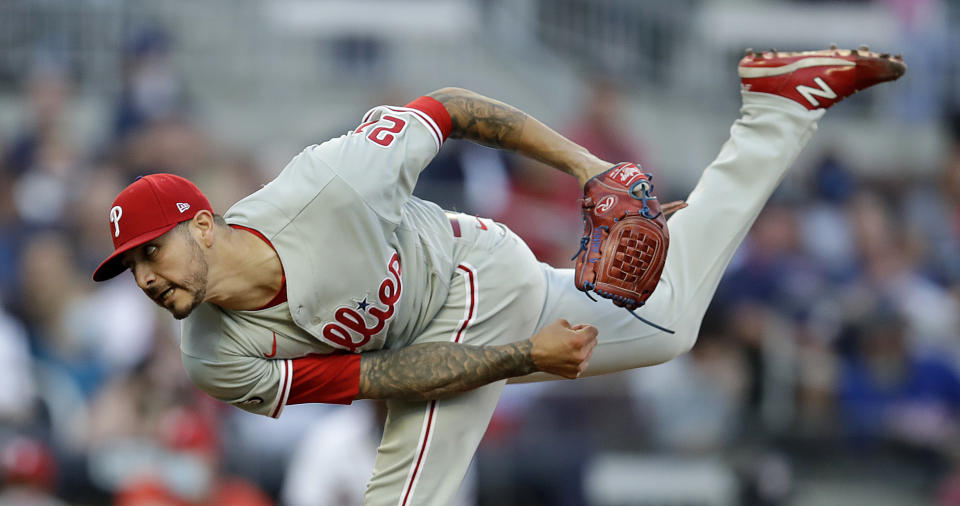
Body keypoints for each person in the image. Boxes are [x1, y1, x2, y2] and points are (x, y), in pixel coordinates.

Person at [92, 48, 905, 505]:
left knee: (405, 497)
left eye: (152, 252)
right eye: (130, 268)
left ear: (203, 223)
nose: (146, 280)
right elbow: (385, 376)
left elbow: (448, 107)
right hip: (440, 337)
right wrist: (524, 359)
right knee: (673, 322)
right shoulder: (209, 354)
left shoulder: (329, 186)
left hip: (469, 271)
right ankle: (782, 105)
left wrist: (592, 171)